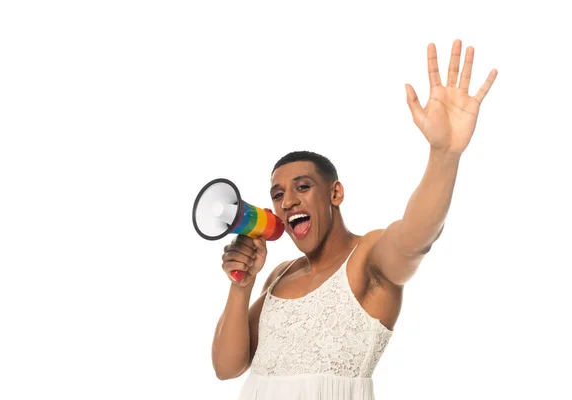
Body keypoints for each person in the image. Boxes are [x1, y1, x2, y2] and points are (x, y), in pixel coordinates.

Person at [211, 39, 498, 399]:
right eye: (278, 194)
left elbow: (416, 237)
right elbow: (227, 367)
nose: (288, 201)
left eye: (302, 186)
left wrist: (444, 155)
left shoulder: (367, 257)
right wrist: (241, 286)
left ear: (335, 194)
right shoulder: (280, 274)